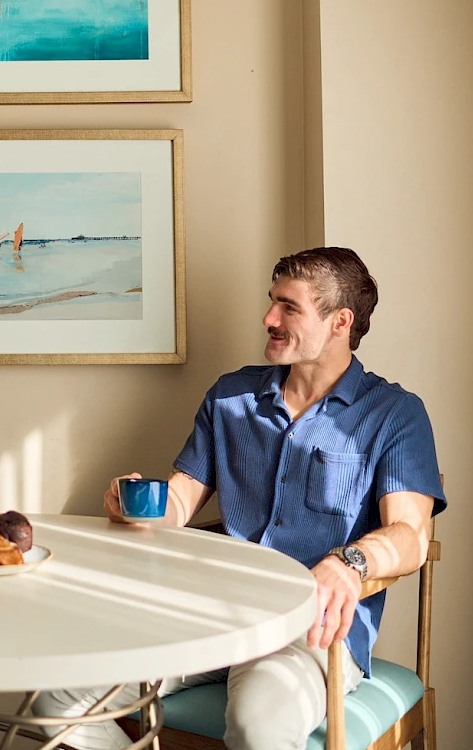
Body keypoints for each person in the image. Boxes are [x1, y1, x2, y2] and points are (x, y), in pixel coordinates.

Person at [33, 247, 446, 750]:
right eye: (272, 302)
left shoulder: (394, 414)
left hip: (310, 631)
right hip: (209, 614)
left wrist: (350, 562)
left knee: (258, 724)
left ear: (340, 322)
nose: (269, 318)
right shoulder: (231, 397)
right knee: (57, 697)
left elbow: (410, 536)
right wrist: (137, 506)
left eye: (289, 307)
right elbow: (180, 502)